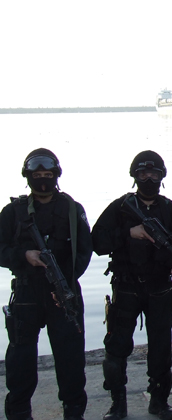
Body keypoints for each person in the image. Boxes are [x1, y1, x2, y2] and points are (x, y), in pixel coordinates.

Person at [0, 149, 92, 420]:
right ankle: (19, 412)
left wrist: (65, 283)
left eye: (47, 175)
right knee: (20, 360)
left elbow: (84, 250)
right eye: (37, 175)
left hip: (64, 292)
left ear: (56, 176)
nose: (42, 180)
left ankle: (74, 412)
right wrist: (23, 256)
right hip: (27, 291)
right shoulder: (13, 212)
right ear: (28, 177)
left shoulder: (72, 210)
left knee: (71, 359)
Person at [91, 151, 172, 420]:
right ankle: (117, 404)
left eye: (154, 174)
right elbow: (97, 242)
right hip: (126, 287)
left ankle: (159, 401)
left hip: (160, 288)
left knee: (161, 349)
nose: (149, 179)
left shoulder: (170, 211)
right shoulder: (120, 208)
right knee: (116, 348)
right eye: (143, 174)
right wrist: (128, 233)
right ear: (135, 176)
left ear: (162, 177)